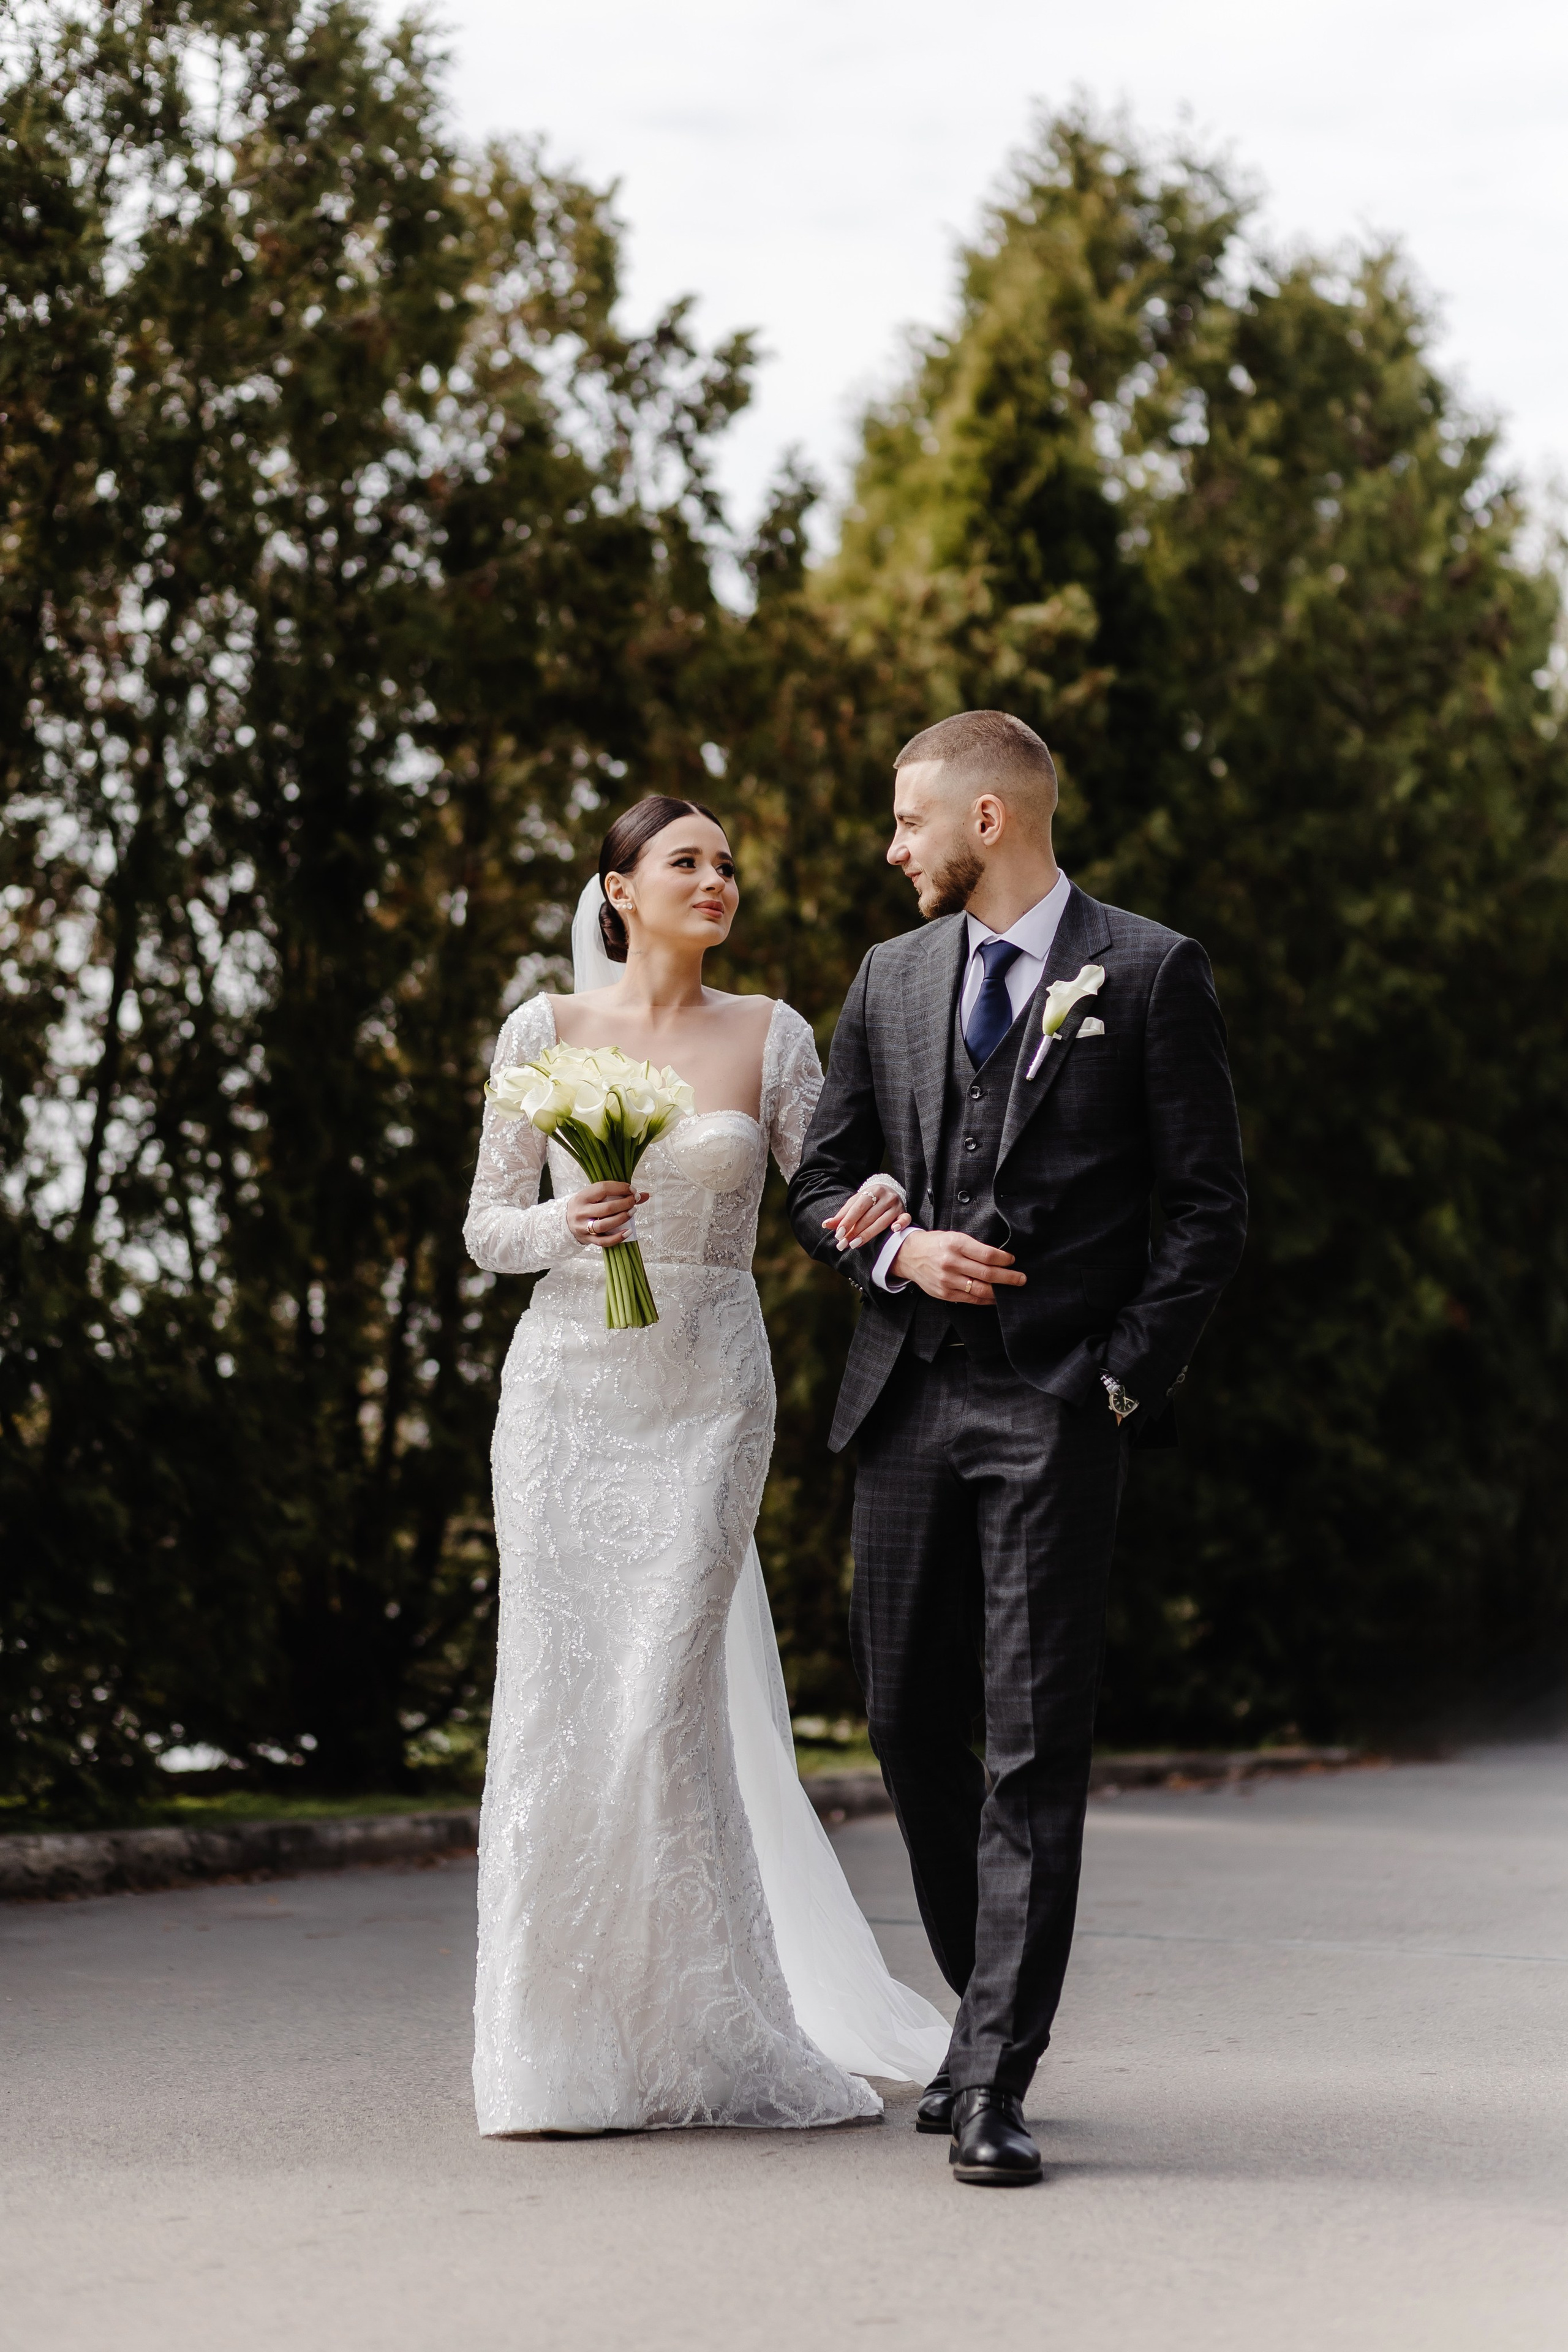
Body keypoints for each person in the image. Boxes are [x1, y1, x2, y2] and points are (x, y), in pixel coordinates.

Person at [788, 710, 1248, 2186]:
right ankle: (980, 2009)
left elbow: (1204, 1211)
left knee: (1034, 1744)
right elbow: (815, 1181)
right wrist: (891, 1253)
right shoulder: (889, 975)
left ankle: (991, 2072)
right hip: (907, 1395)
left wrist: (1117, 1382)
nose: (891, 846)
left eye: (908, 819)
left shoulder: (1150, 970)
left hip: (1054, 1409)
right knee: (908, 1722)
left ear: (987, 819)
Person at [463, 794, 949, 2136]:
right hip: (564, 1391)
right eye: (688, 861)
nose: (717, 880)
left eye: (728, 863)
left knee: (658, 1700)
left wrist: (881, 1217)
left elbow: (821, 1194)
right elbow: (484, 1227)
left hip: (709, 1397)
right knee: (563, 1699)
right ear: (618, 891)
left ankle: (703, 2028)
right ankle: (557, 2052)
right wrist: (567, 1218)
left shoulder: (771, 1033)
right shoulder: (543, 1033)